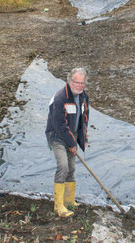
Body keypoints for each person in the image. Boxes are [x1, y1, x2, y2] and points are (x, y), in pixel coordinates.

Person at [45, 68, 90, 217]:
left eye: (82, 83)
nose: (79, 85)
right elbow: (59, 124)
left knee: (71, 168)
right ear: (69, 81)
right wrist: (71, 143)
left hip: (72, 135)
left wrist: (80, 139)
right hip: (57, 136)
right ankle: (58, 206)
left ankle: (69, 200)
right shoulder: (60, 98)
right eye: (76, 82)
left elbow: (83, 118)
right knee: (63, 166)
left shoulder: (83, 97)